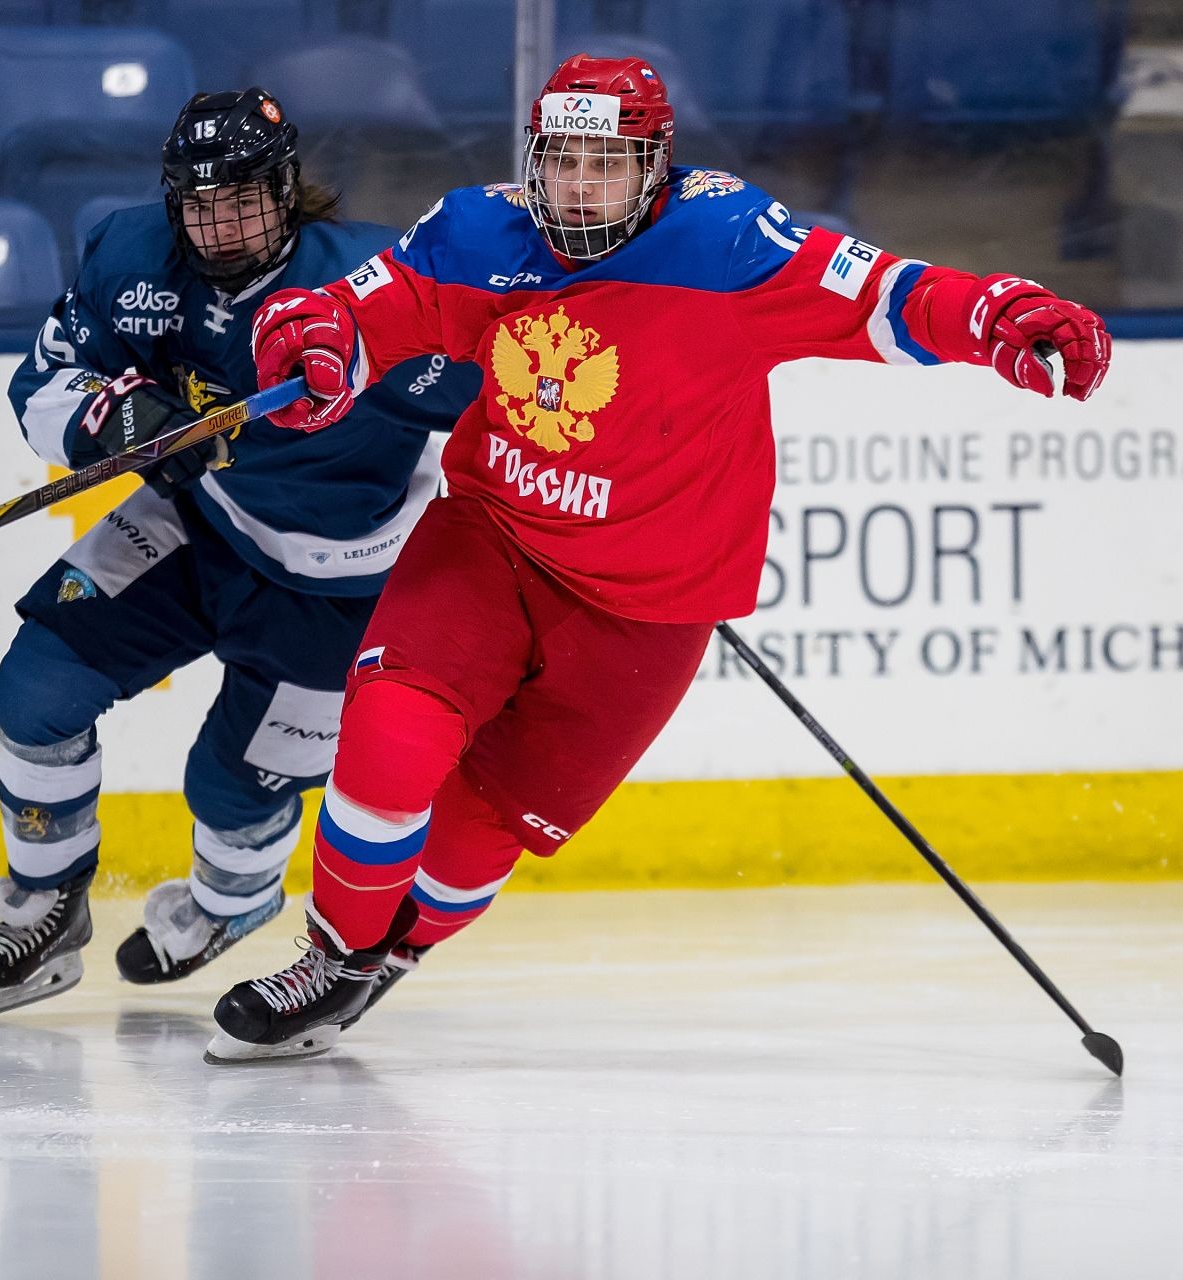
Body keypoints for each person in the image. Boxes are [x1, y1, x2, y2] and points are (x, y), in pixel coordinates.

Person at [205, 53, 1113, 1061]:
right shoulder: (478, 229)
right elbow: (362, 308)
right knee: (386, 744)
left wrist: (995, 316)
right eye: (562, 162)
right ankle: (331, 957)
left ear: (655, 167)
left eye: (608, 163)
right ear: (532, 160)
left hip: (649, 608)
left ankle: (386, 959)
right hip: (493, 542)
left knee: (479, 836)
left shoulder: (728, 240)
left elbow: (887, 297)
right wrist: (319, 339)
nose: (580, 187)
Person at [0, 87, 479, 1020]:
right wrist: (119, 417)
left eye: (242, 199)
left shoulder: (377, 278)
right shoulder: (130, 256)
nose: (220, 223)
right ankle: (46, 902)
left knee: (232, 792)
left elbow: (512, 406)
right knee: (36, 694)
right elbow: (45, 380)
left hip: (344, 592)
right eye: (198, 203)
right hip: (200, 526)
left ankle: (230, 906)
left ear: (287, 190)